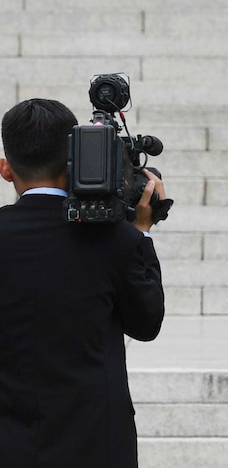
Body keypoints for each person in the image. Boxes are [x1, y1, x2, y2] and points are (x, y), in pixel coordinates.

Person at [0, 98, 167, 467]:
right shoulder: (116, 239)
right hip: (97, 446)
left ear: (6, 170)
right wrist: (141, 232)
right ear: (73, 162)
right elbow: (146, 323)